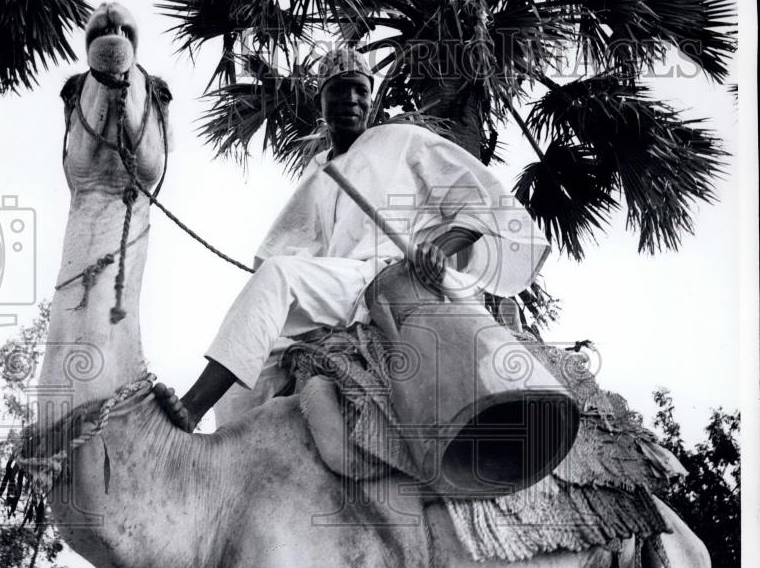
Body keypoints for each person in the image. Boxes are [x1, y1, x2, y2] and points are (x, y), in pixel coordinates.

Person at [154, 47, 550, 432]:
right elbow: (283, 249)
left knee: (280, 277)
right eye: (339, 89)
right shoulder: (318, 171)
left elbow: (479, 204)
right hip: (339, 289)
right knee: (246, 383)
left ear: (371, 98)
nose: (351, 99)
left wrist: (439, 248)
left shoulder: (402, 141)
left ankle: (190, 408)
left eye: (361, 89)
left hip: (391, 281)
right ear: (319, 98)